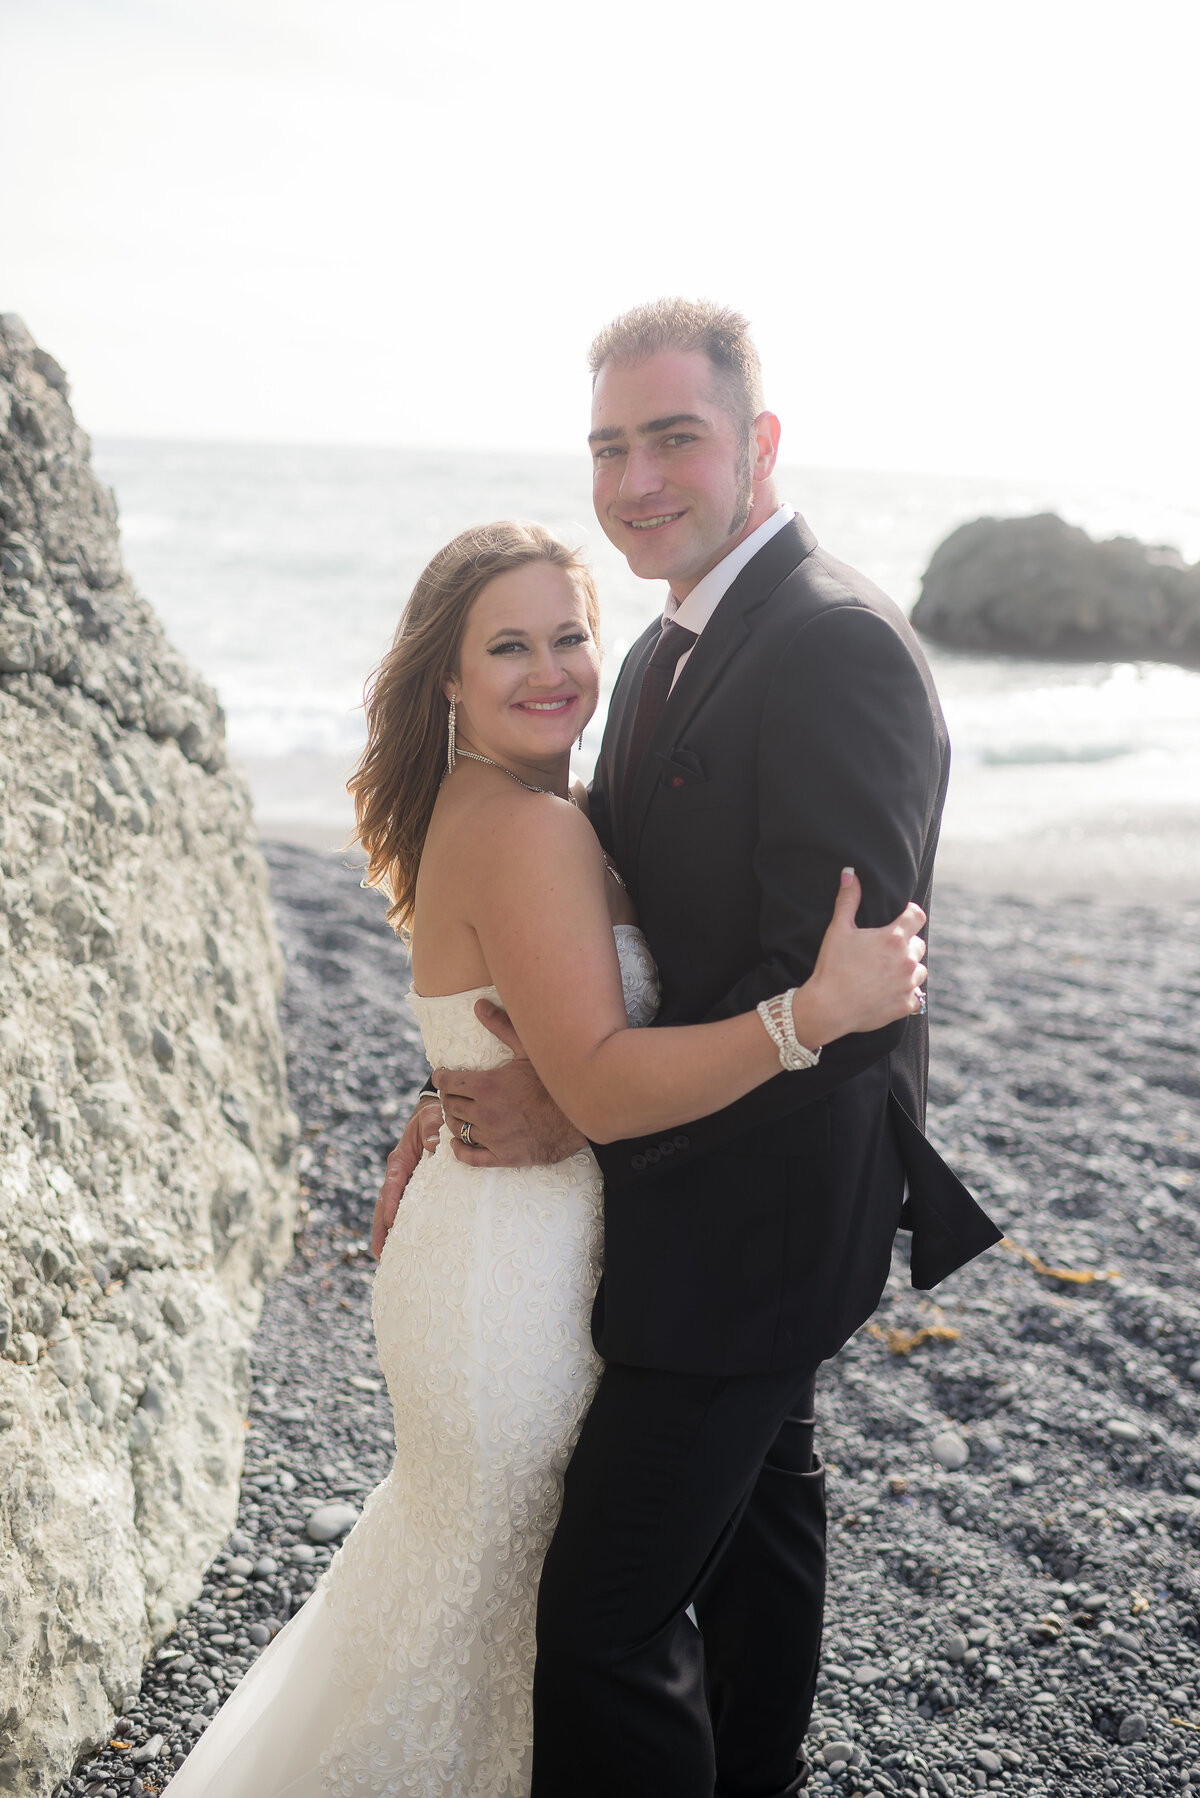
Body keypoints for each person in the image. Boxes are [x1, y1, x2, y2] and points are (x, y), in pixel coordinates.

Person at [161, 517, 930, 1798]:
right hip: (513, 1282)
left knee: (493, 1589)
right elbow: (602, 1081)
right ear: (447, 679)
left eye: (569, 634)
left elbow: (538, 1020)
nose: (550, 668)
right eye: (506, 645)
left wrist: (469, 1082)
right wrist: (815, 1013)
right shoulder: (529, 828)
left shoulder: (525, 804)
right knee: (526, 1605)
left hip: (510, 1242)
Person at [377, 300, 1001, 1798]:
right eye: (612, 444)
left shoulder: (832, 644)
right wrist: (471, 1069)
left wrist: (585, 1110)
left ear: (760, 443)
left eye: (676, 436)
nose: (638, 475)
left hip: (761, 1222)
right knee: (764, 1529)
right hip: (687, 1195)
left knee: (601, 1623)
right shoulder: (652, 651)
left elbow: (840, 996)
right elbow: (594, 946)